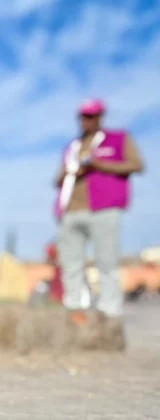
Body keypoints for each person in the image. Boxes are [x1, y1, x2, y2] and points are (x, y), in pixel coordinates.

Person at [54, 99, 145, 321]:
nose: (86, 120)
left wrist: (99, 165)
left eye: (91, 116)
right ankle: (75, 310)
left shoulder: (118, 139)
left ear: (100, 117)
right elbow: (58, 180)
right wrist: (68, 172)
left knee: (107, 260)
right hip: (71, 210)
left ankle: (110, 312)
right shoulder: (72, 147)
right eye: (83, 116)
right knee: (70, 263)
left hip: (104, 208)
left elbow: (137, 165)